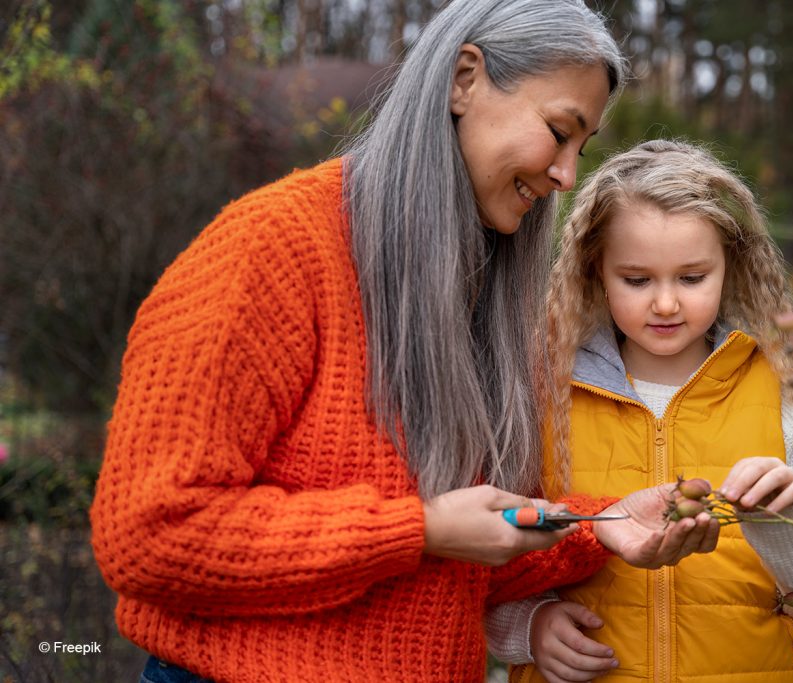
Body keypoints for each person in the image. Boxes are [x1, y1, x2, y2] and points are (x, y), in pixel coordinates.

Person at [88, 4, 715, 683]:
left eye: (581, 149)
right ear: (465, 80)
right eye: (559, 131)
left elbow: (462, 560)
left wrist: (606, 523)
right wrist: (415, 529)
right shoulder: (271, 250)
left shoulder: (486, 293)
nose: (567, 174)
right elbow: (148, 535)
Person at [485, 139, 793, 682]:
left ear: (729, 266)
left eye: (692, 278)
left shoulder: (786, 391)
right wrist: (527, 627)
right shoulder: (539, 394)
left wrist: (791, 523)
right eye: (637, 279)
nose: (666, 303)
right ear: (595, 269)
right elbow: (479, 564)